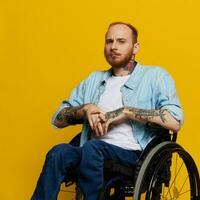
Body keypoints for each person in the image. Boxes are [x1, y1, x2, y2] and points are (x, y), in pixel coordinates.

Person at [31, 22, 183, 200]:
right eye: (109, 41)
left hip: (133, 155)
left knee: (93, 148)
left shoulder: (155, 76)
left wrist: (126, 112)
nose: (113, 47)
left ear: (135, 47)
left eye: (121, 41)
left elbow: (175, 120)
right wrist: (84, 109)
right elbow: (57, 119)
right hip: (90, 150)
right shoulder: (94, 80)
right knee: (58, 153)